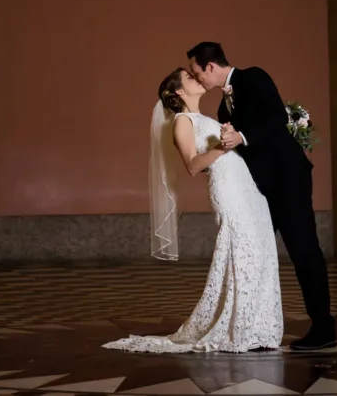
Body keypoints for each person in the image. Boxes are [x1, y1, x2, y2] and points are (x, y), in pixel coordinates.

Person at [102, 68, 283, 353]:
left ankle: (260, 327)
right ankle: (240, 328)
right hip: (229, 191)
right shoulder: (182, 121)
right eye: (189, 78)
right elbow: (193, 165)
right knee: (241, 249)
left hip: (248, 188)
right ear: (179, 92)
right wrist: (223, 147)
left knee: (260, 250)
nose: (197, 79)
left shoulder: (208, 118)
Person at [187, 42, 336, 351]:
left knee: (304, 251)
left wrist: (240, 137)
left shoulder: (254, 77)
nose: (196, 77)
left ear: (210, 67)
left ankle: (324, 326)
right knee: (255, 256)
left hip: (288, 180)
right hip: (259, 191)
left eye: (197, 71)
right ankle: (252, 328)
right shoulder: (222, 108)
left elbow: (275, 120)